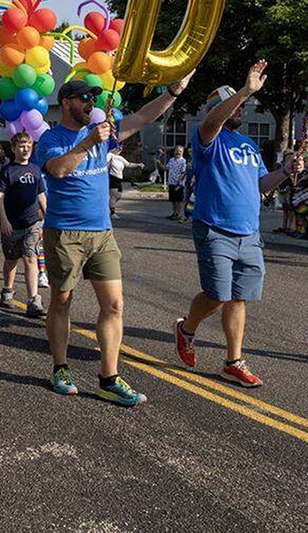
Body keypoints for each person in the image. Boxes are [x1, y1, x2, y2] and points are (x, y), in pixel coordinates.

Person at [34, 69, 192, 405]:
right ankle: (60, 368)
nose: (90, 103)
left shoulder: (103, 130)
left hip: (102, 233)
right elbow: (59, 169)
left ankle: (109, 378)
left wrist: (173, 92)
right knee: (62, 301)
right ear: (66, 103)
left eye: (93, 98)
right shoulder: (51, 138)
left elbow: (144, 116)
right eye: (84, 98)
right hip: (64, 233)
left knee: (115, 305)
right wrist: (90, 141)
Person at [173, 62, 303, 388]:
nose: (240, 109)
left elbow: (262, 185)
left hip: (249, 233)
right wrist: (245, 90)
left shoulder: (248, 144)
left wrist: (285, 171)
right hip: (214, 228)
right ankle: (186, 329)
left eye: (243, 105)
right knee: (217, 295)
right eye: (235, 105)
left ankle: (233, 362)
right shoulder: (207, 137)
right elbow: (213, 121)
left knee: (238, 297)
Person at [0, 132, 47, 317]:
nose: (26, 149)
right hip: (11, 225)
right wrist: (4, 220)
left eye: (29, 146)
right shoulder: (7, 171)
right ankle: (7, 290)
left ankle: (33, 300)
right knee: (11, 260)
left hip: (32, 223)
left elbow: (41, 194)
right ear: (14, 148)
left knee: (31, 258)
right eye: (22, 146)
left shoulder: (35, 169)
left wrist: (48, 214)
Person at [107, 148, 142, 218]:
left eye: (120, 149)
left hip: (119, 178)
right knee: (113, 196)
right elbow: (105, 163)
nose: (119, 150)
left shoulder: (120, 158)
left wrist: (138, 164)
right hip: (113, 177)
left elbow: (128, 164)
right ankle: (112, 213)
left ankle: (108, 206)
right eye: (118, 148)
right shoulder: (110, 155)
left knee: (119, 196)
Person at [166, 146, 187, 220]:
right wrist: (158, 163)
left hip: (178, 183)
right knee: (173, 200)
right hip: (171, 182)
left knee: (178, 200)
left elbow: (184, 173)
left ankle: (178, 214)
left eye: (180, 151)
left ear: (182, 152)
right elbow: (166, 168)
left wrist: (180, 183)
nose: (178, 152)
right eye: (176, 151)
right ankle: (174, 213)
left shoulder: (183, 161)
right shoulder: (171, 160)